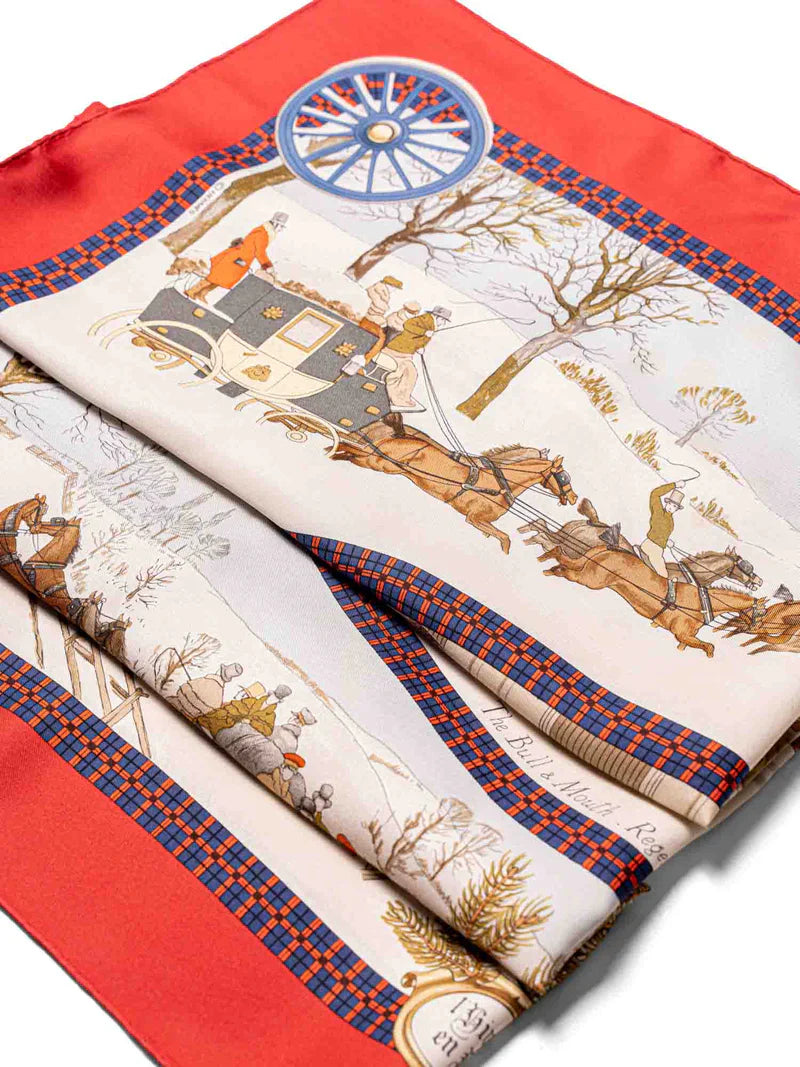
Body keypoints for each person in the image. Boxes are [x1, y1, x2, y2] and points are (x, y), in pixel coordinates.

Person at [186, 212, 288, 303]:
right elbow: (260, 252)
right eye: (281, 226)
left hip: (242, 260)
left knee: (223, 279)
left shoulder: (265, 233)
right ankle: (192, 290)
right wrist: (268, 266)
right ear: (276, 224)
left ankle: (202, 294)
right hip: (237, 257)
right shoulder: (263, 234)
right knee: (216, 276)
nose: (281, 229)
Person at [383, 305, 451, 413]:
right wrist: (424, 332)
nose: (443, 323)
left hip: (405, 352)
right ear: (437, 317)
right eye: (443, 320)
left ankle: (401, 398)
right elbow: (408, 324)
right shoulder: (426, 319)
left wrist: (420, 347)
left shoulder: (431, 325)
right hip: (397, 350)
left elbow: (418, 340)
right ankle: (398, 399)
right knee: (406, 373)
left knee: (411, 373)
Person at [639, 481, 685, 609]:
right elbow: (654, 494)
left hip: (659, 549)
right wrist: (674, 485)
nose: (671, 507)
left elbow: (662, 533)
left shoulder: (671, 521)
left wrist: (667, 541)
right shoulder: (658, 510)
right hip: (651, 546)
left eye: (674, 506)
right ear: (666, 503)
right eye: (670, 504)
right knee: (663, 575)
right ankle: (667, 597)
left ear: (677, 509)